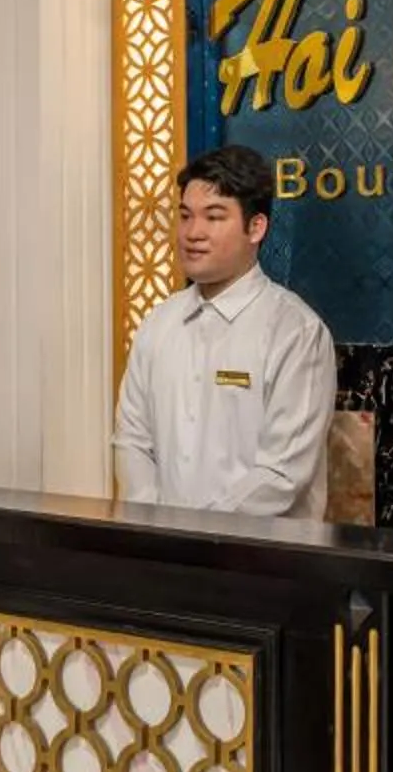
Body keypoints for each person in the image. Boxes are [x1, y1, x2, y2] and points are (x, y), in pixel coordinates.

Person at [114, 144, 336, 518]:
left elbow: (281, 475)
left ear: (256, 227)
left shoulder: (296, 333)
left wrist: (197, 535)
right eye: (185, 216)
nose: (193, 232)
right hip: (162, 558)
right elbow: (132, 439)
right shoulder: (158, 323)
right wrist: (154, 528)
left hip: (262, 565)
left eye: (214, 217)